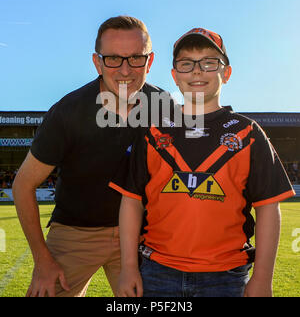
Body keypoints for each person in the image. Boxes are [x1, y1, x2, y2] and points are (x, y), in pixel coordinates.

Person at [109, 27, 296, 297]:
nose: (197, 71)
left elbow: (268, 208)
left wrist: (263, 279)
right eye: (186, 64)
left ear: (226, 73)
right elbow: (131, 201)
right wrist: (128, 266)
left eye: (209, 63)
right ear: (174, 76)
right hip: (157, 272)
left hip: (226, 277)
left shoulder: (249, 133)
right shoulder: (152, 131)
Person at [12, 15, 170, 297]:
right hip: (75, 233)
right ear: (97, 62)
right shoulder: (68, 111)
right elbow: (23, 185)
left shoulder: (164, 107)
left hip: (140, 236)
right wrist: (42, 259)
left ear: (150, 60)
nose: (125, 70)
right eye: (113, 59)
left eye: (136, 58)